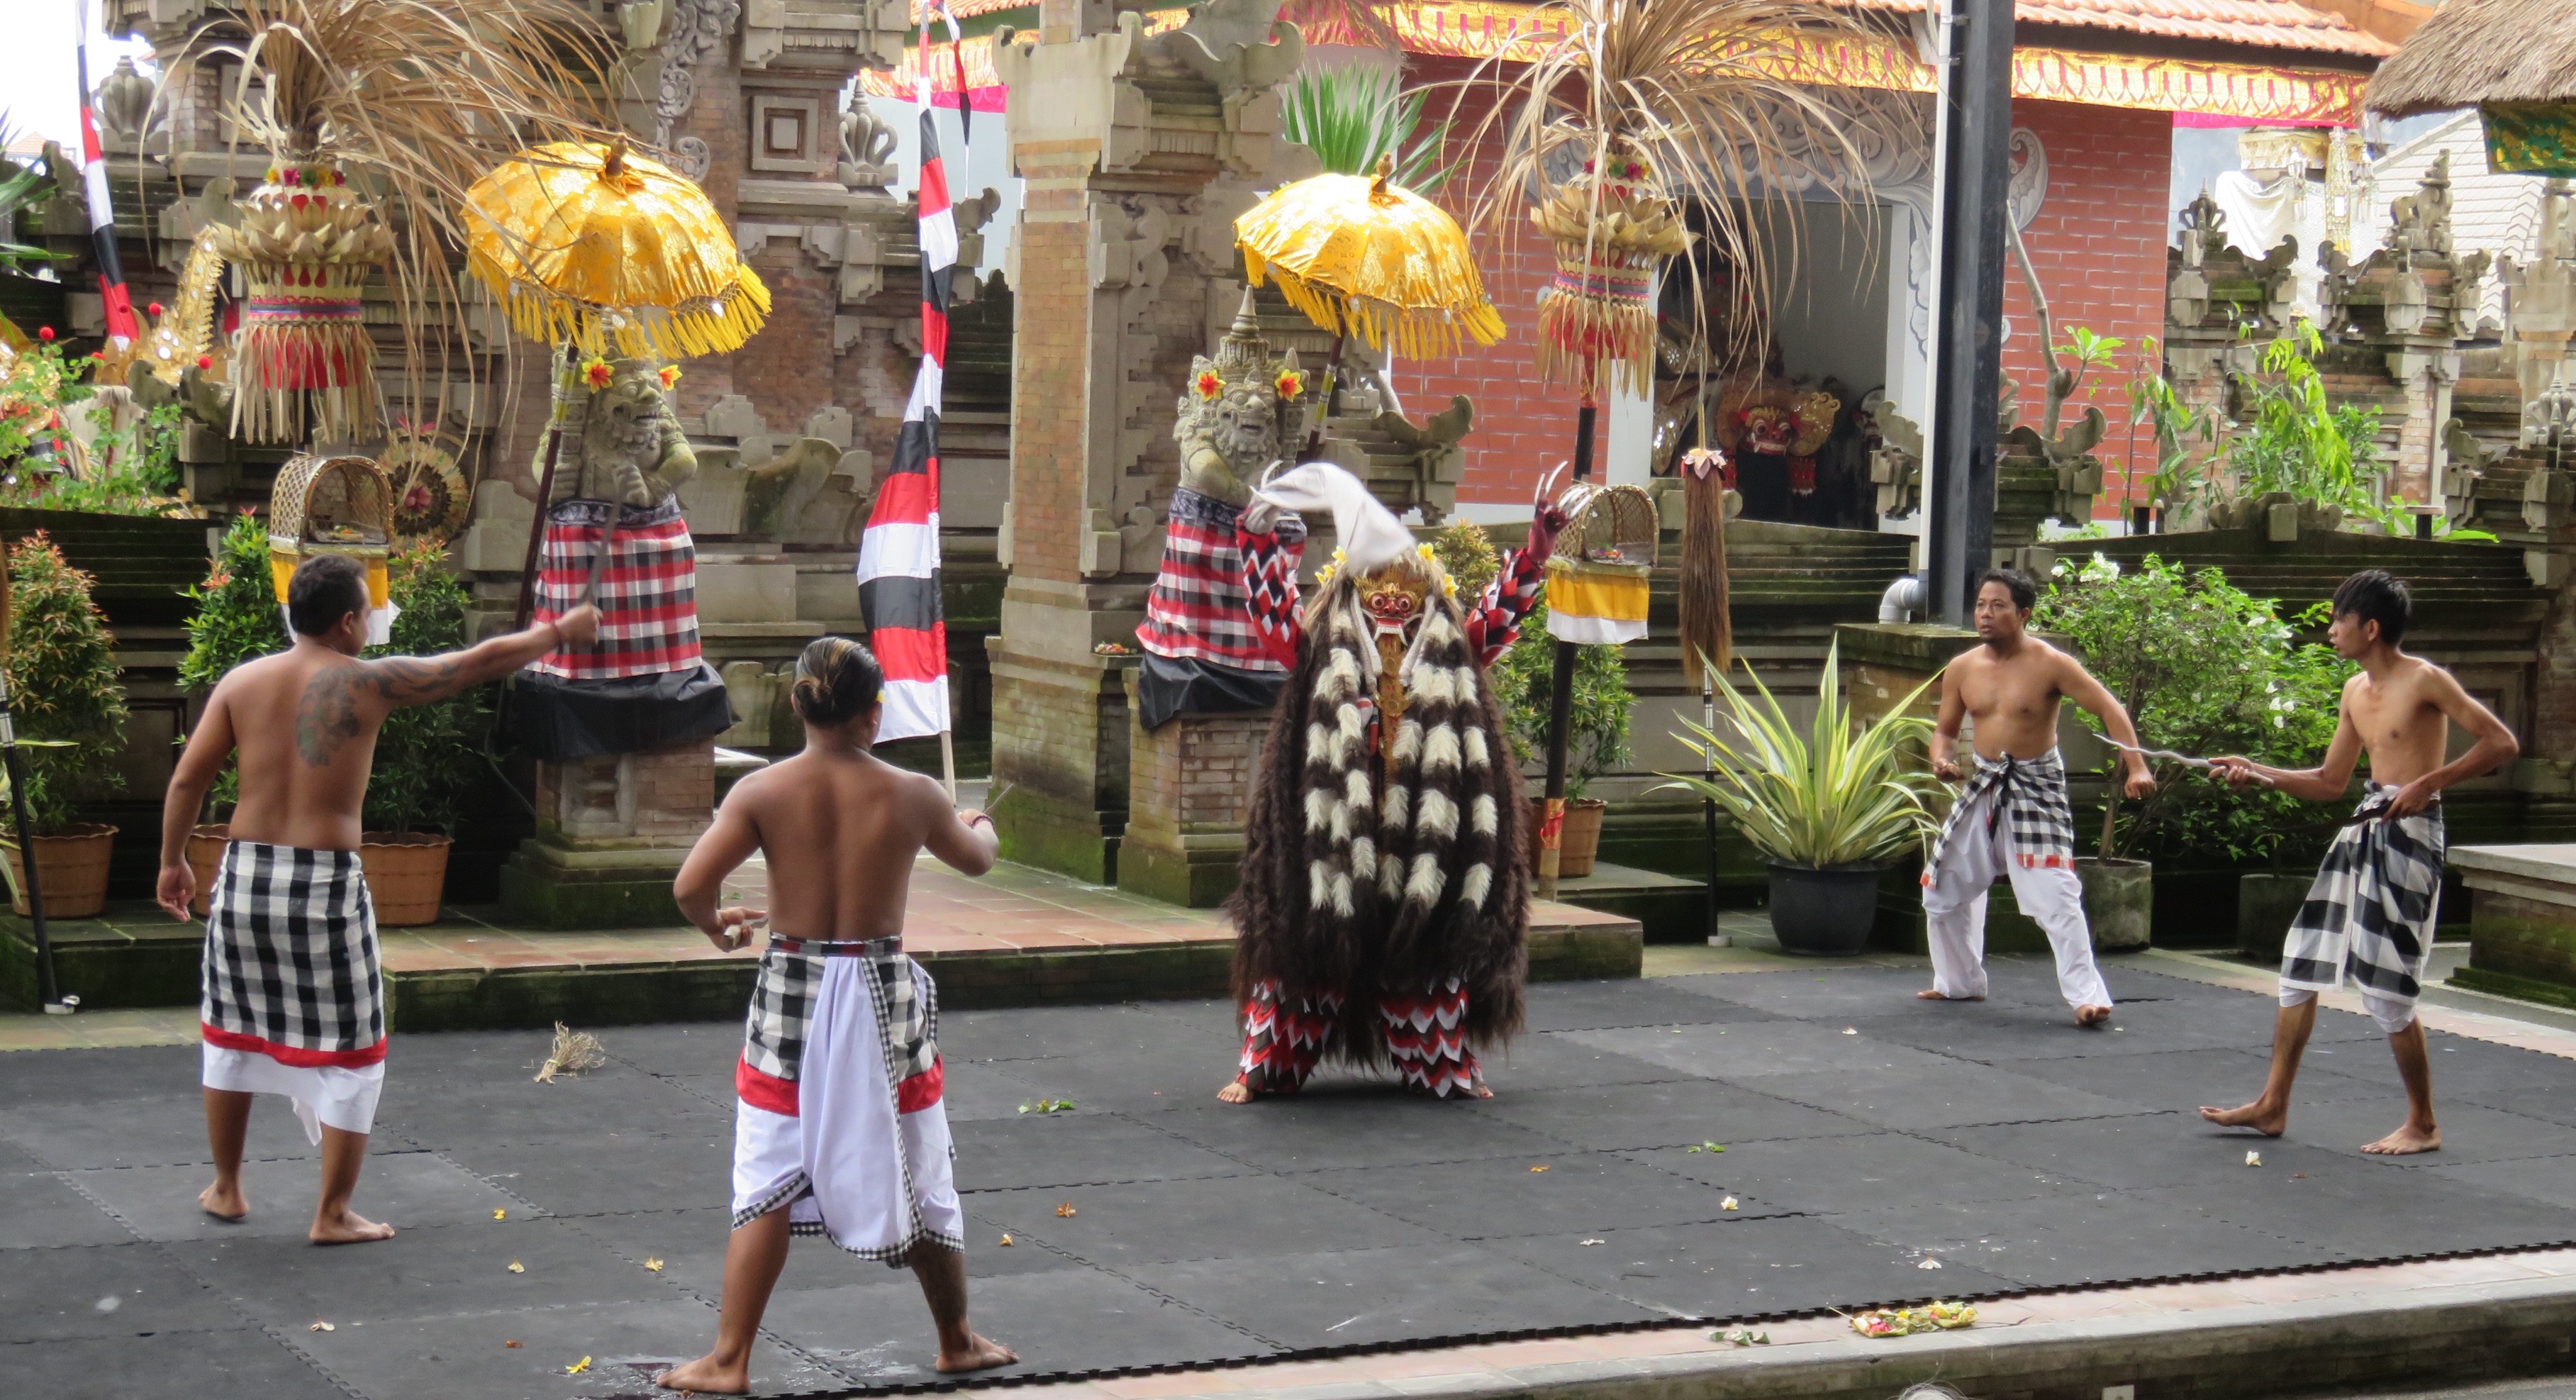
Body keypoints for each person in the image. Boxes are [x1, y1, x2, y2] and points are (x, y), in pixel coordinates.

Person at [157, 554, 596, 1243]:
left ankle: (227, 1187)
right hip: (323, 885)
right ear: (347, 621)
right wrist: (557, 633)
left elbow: (187, 781)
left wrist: (171, 861)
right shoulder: (365, 681)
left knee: (232, 1035)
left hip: (243, 877)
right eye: (369, 610)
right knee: (355, 1046)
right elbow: (476, 662)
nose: (374, 620)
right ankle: (331, 1213)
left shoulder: (241, 682)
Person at [657, 637, 1014, 1393]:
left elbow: (692, 886)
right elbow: (977, 860)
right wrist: (981, 824)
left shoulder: (760, 792)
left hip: (792, 985)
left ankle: (729, 1360)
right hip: (883, 992)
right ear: (874, 713)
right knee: (919, 1162)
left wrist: (719, 925)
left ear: (796, 706)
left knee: (768, 1169)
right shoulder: (916, 793)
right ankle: (955, 1340)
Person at [2201, 570, 2517, 1155]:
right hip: (2362, 830)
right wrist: (2257, 773)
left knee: (2387, 986)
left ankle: (2422, 1123)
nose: (2329, 631)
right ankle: (2272, 1105)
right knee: (2299, 966)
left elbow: (2500, 742)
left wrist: (2429, 782)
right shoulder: (2353, 690)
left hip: (2411, 834)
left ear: (2369, 627)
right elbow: (2328, 783)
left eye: (2337, 620)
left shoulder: (2426, 680)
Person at [1921, 567, 2156, 1026]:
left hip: (2035, 786)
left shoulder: (2050, 663)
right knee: (1942, 888)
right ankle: (1959, 983)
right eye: (1980, 606)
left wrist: (2137, 765)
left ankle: (2086, 997)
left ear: (2023, 613)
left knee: (2055, 895)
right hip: (1984, 784)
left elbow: (2109, 708)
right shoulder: (1962, 667)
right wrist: (1941, 760)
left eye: (1998, 606)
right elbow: (1944, 732)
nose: (1985, 615)